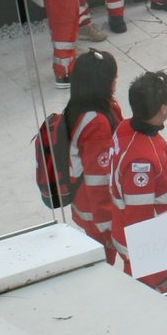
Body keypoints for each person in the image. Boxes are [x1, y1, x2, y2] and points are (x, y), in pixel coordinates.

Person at [107, 69, 167, 291]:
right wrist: (158, 275)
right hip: (152, 244)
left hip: (155, 231)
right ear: (163, 109)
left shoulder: (125, 127)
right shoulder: (142, 161)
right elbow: (140, 218)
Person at [62, 50, 124, 262]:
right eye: (113, 78)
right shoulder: (97, 123)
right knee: (104, 263)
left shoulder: (81, 106)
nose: (116, 81)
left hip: (85, 203)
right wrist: (107, 227)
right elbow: (98, 180)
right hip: (96, 212)